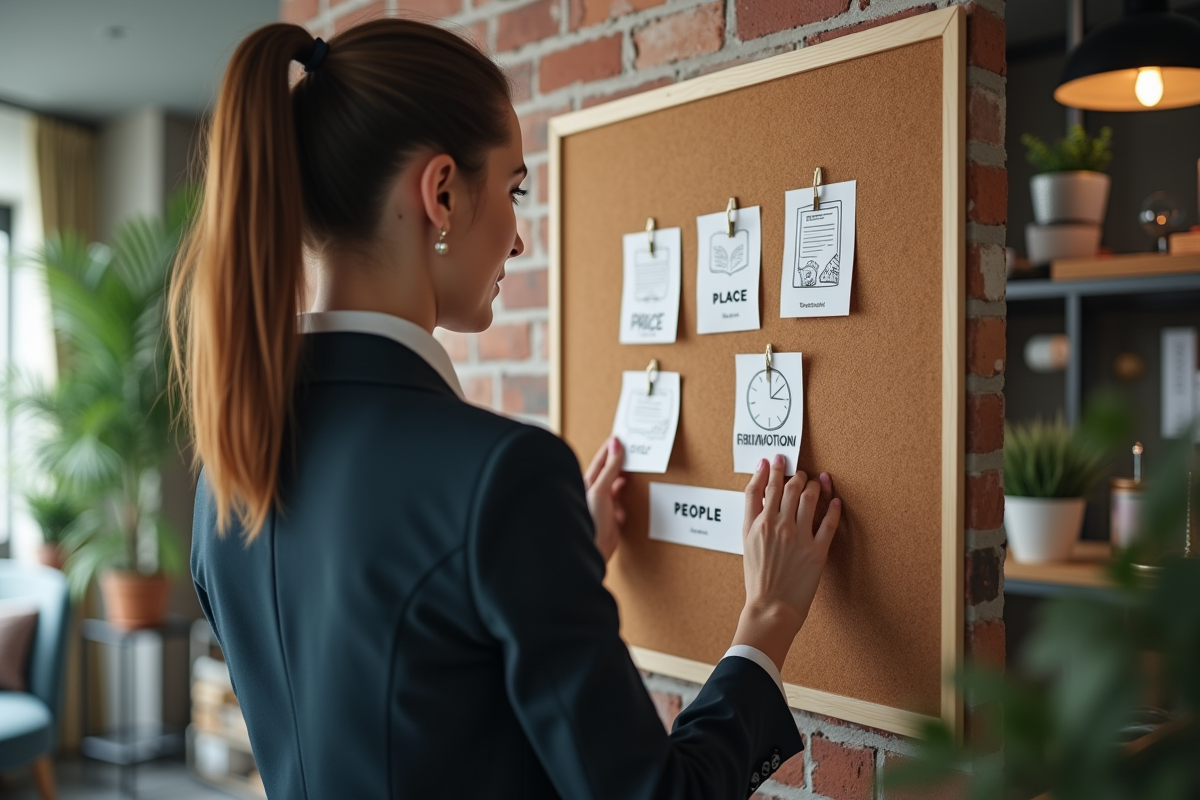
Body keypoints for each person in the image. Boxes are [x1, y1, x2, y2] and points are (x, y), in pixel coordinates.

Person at [171, 18, 843, 800]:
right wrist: (764, 623)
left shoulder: (228, 474)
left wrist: (548, 562)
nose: (520, 239)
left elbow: (393, 691)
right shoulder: (501, 479)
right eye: (514, 188)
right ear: (443, 192)